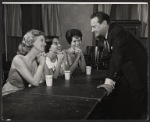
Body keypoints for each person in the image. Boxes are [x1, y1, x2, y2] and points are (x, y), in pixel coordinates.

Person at [90, 12, 147, 119]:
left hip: (137, 81)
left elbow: (117, 57)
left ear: (104, 24)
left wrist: (108, 83)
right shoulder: (111, 33)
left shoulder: (118, 32)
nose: (92, 30)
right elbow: (112, 58)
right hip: (128, 77)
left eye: (94, 27)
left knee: (132, 115)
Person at [2, 29, 46, 96]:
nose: (45, 43)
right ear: (32, 42)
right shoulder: (18, 59)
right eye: (41, 40)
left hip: (22, 94)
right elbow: (35, 82)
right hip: (9, 95)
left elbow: (39, 81)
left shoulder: (33, 62)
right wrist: (41, 64)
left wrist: (43, 61)